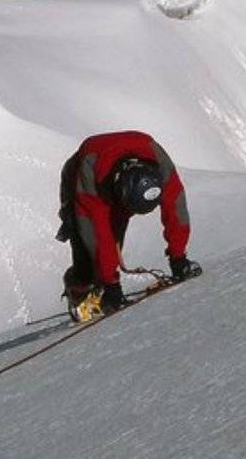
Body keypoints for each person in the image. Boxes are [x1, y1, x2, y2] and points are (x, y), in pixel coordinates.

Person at [56, 130, 201, 321]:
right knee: (87, 250)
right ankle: (79, 288)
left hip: (110, 175)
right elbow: (97, 235)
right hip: (81, 179)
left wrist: (178, 258)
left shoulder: (158, 162)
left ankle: (102, 282)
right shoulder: (89, 174)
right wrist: (111, 285)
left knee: (114, 237)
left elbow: (176, 209)